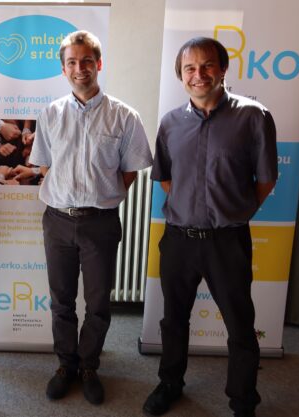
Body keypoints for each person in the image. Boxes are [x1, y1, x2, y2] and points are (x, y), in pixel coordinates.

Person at [143, 37, 277, 417]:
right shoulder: (170, 123)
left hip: (227, 242)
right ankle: (170, 383)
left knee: (240, 325)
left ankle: (243, 401)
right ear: (181, 75)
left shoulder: (253, 117)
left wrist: (236, 210)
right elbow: (166, 178)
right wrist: (190, 206)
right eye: (190, 68)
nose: (198, 75)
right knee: (173, 319)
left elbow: (266, 178)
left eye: (207, 66)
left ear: (223, 69)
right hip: (179, 239)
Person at [29, 30, 153, 405]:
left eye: (86, 61)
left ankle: (88, 366)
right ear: (63, 69)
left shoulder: (124, 116)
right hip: (58, 220)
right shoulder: (50, 114)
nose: (79, 68)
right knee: (61, 300)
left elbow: (130, 171)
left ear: (99, 64)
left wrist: (101, 196)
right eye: (71, 62)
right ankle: (66, 365)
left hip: (100, 222)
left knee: (98, 302)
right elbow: (44, 166)